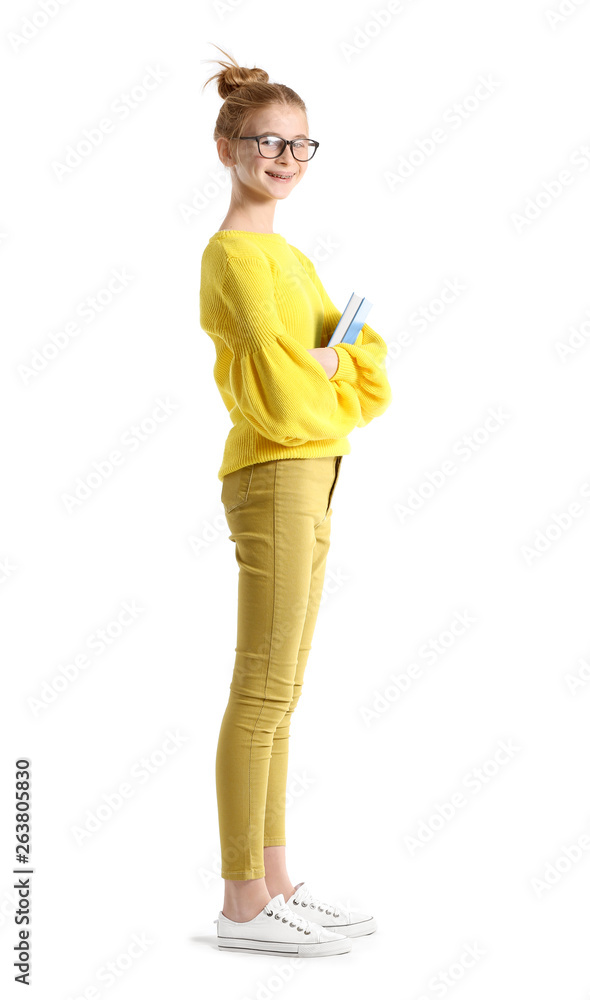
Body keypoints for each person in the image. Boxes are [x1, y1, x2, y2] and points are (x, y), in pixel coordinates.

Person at [200, 45, 392, 957]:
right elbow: (275, 393)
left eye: (300, 144)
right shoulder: (233, 259)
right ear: (227, 147)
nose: (284, 157)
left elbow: (365, 362)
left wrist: (325, 364)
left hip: (315, 466)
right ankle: (242, 902)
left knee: (286, 692)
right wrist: (318, 367)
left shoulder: (292, 256)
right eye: (266, 141)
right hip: (275, 470)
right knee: (262, 688)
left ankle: (276, 879)